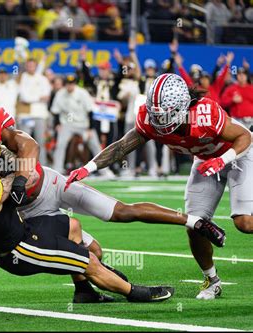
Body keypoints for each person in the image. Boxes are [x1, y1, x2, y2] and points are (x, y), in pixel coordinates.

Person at [0, 106, 227, 303]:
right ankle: (85, 290)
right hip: (24, 215)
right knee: (91, 251)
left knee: (121, 212)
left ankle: (193, 221)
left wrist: (18, 180)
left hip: (48, 185)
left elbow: (30, 146)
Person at [66, 73, 252, 300]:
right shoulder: (148, 118)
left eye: (166, 115)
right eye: (156, 115)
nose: (160, 121)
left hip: (238, 155)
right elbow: (122, 146)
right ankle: (212, 280)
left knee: (244, 222)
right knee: (195, 225)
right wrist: (89, 167)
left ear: (182, 106)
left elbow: (244, 136)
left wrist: (221, 160)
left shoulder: (204, 113)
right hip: (204, 161)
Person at [0, 134, 175, 303]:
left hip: (16, 230)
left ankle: (84, 291)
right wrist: (14, 171)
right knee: (90, 261)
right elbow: (26, 178)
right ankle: (135, 293)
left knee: (73, 226)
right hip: (19, 249)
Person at [50, 74, 104, 175]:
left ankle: (104, 170)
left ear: (75, 84)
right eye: (68, 84)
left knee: (95, 145)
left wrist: (90, 129)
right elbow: (56, 111)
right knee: (60, 144)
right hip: (67, 125)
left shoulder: (82, 93)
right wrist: (57, 125)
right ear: (65, 84)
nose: (70, 86)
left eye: (72, 84)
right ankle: (57, 170)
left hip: (83, 125)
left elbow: (90, 111)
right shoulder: (60, 94)